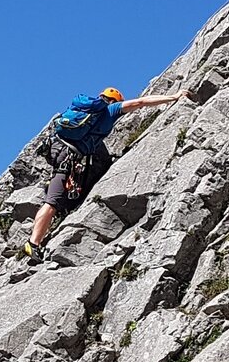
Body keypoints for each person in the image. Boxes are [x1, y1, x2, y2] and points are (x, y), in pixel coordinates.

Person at [23, 86, 186, 261]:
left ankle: (56, 207)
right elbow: (141, 102)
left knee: (62, 190)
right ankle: (33, 244)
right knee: (52, 203)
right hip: (70, 156)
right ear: (115, 101)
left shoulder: (83, 107)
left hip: (58, 150)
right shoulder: (111, 110)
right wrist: (173, 97)